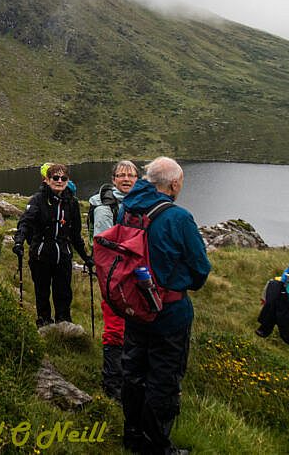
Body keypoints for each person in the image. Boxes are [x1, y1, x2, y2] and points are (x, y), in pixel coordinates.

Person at [119, 157, 210, 455]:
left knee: (134, 369)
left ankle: (132, 435)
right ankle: (156, 446)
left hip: (134, 306)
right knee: (164, 377)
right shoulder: (178, 217)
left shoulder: (128, 208)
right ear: (173, 184)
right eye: (181, 182)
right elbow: (200, 269)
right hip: (168, 311)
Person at [13, 163, 93, 327]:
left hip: (63, 255)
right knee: (42, 291)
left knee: (63, 292)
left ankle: (64, 324)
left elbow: (75, 234)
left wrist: (86, 258)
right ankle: (44, 322)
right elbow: (25, 222)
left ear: (67, 180)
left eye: (63, 178)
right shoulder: (38, 200)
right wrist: (19, 241)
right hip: (40, 254)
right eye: (55, 177)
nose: (59, 181)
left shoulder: (72, 203)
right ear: (47, 180)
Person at [88, 159, 140, 399]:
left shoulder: (137, 204)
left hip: (135, 277)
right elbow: (103, 248)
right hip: (115, 278)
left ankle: (127, 379)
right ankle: (112, 386)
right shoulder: (104, 209)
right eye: (122, 175)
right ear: (114, 179)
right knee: (115, 328)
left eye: (131, 175)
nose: (127, 179)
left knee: (132, 327)